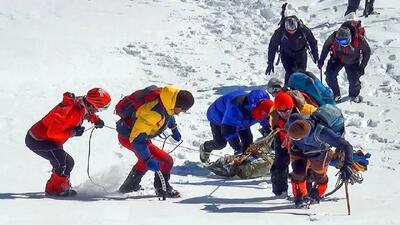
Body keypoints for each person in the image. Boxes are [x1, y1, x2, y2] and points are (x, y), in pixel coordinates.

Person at [25, 88, 111, 196]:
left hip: (51, 140)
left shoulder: (81, 103)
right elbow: (52, 133)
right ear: (91, 105)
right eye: (99, 109)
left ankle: (58, 187)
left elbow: (84, 113)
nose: (98, 111)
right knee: (66, 163)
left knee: (61, 162)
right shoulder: (68, 112)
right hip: (38, 140)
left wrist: (95, 119)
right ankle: (55, 191)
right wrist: (73, 132)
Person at [116, 85, 194, 198]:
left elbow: (169, 114)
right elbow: (137, 139)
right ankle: (162, 188)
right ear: (178, 105)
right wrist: (148, 159)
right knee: (166, 161)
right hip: (130, 137)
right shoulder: (154, 113)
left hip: (134, 134)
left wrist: (174, 129)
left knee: (146, 159)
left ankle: (129, 186)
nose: (182, 112)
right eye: (183, 109)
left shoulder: (168, 100)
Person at [284, 113, 354, 208]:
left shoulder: (322, 133)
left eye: (296, 138)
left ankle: (316, 194)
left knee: (319, 176)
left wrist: (348, 164)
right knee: (298, 173)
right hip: (297, 150)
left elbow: (346, 146)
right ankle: (300, 197)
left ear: (303, 136)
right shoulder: (294, 119)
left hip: (319, 153)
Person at [199, 89, 273, 164]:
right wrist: (237, 148)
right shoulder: (236, 108)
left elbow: (268, 124)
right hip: (219, 117)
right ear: (258, 110)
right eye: (264, 115)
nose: (266, 116)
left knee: (247, 142)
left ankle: (244, 164)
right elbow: (228, 129)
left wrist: (271, 135)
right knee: (220, 143)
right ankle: (205, 148)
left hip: (242, 120)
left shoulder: (261, 109)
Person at [267, 91, 317, 198]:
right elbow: (274, 127)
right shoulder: (274, 114)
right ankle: (280, 192)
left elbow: (320, 123)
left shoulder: (308, 110)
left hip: (304, 141)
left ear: (292, 106)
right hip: (283, 139)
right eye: (281, 111)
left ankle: (308, 191)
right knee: (280, 163)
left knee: (307, 165)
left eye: (287, 110)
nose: (285, 113)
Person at [318, 24, 371, 103]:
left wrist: (362, 66)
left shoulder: (359, 39)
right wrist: (321, 59)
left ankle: (354, 95)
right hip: (337, 58)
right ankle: (336, 94)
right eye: (339, 41)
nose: (342, 43)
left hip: (352, 61)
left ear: (349, 38)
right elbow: (326, 46)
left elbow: (367, 51)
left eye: (344, 41)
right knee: (330, 75)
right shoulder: (333, 36)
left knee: (354, 80)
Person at [266, 16, 319, 85]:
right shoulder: (280, 32)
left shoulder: (303, 30)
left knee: (301, 72)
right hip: (286, 54)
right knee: (290, 72)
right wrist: (270, 62)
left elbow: (312, 41)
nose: (291, 32)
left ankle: (302, 90)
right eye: (289, 31)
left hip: (301, 53)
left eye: (294, 30)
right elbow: (272, 46)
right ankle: (288, 88)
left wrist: (315, 55)